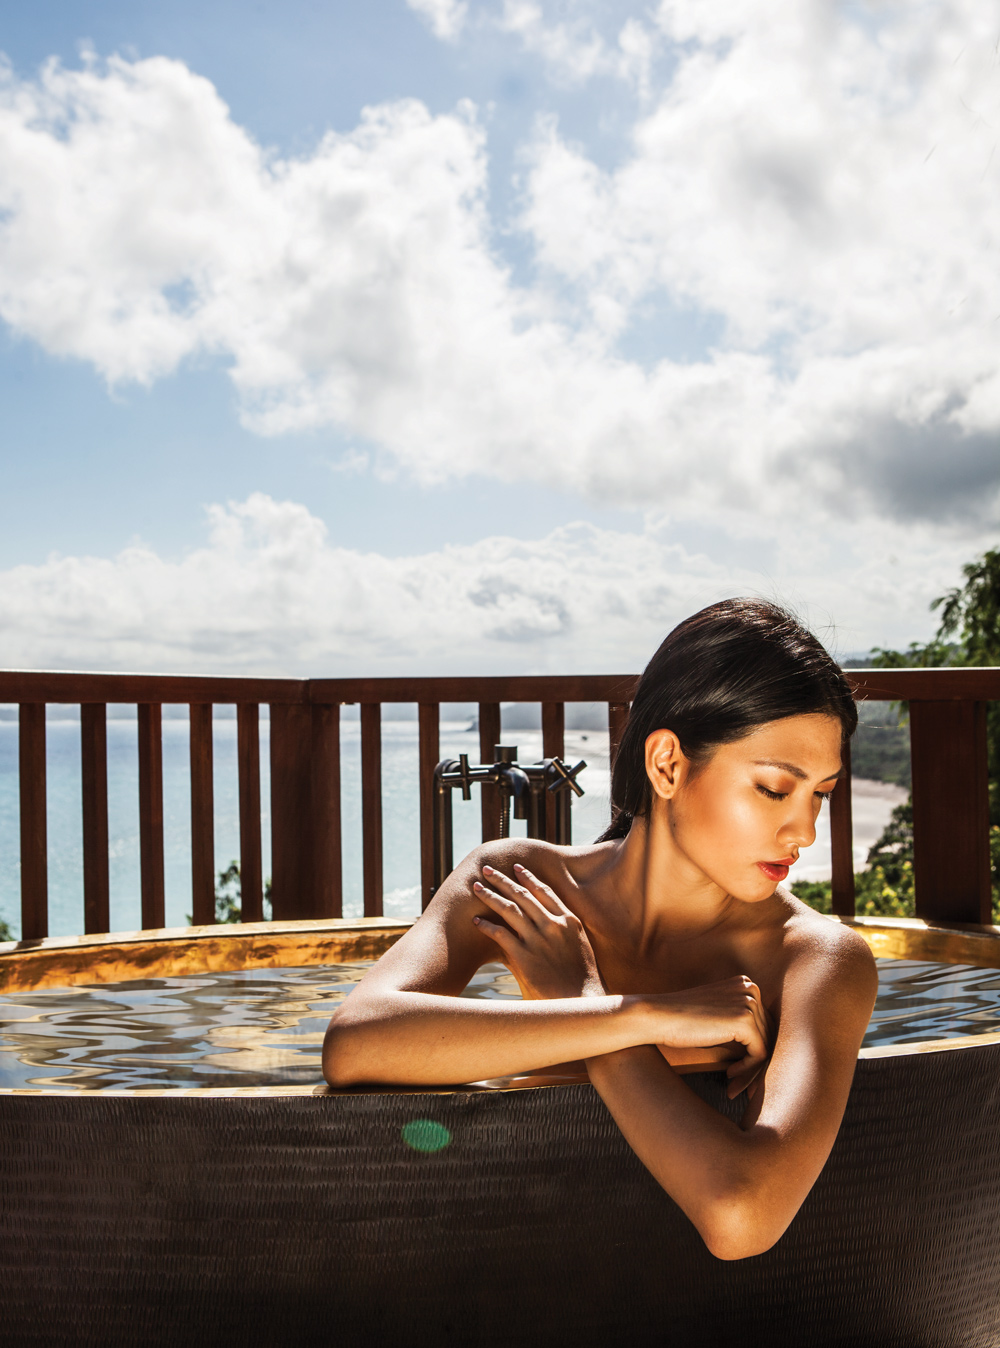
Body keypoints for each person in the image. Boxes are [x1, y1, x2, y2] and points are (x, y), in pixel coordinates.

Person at [322, 598, 877, 1261]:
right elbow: (356, 1044)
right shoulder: (521, 880)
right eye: (773, 789)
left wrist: (583, 1000)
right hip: (491, 1258)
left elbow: (742, 1216)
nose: (806, 832)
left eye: (822, 793)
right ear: (668, 764)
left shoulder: (815, 959)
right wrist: (643, 1016)